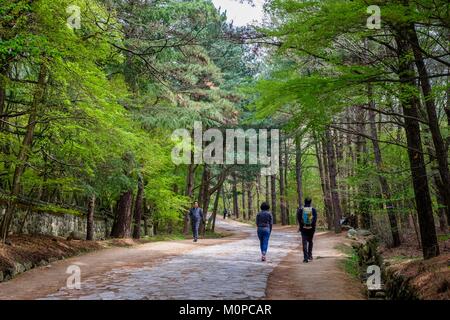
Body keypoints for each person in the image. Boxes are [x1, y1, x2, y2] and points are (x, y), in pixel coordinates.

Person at [297, 197, 317, 263]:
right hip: (311, 228)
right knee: (310, 241)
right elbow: (315, 220)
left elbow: (299, 220)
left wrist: (301, 227)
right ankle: (310, 256)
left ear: (304, 202)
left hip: (303, 228)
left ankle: (305, 258)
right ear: (310, 202)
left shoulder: (301, 210)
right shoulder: (313, 210)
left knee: (304, 242)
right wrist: (312, 226)